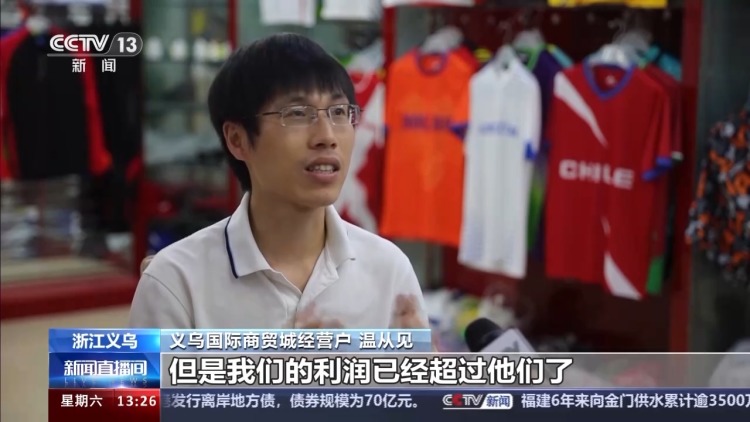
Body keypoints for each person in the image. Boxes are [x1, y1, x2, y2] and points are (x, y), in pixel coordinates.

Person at [129, 33, 429, 331]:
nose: (327, 136)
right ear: (238, 140)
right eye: (298, 114)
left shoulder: (389, 270)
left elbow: (414, 361)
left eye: (339, 112)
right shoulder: (176, 282)